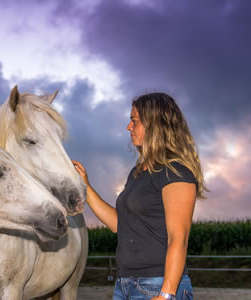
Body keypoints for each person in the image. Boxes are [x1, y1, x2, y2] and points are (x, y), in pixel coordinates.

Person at [72, 92, 206, 300]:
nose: (128, 127)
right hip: (125, 284)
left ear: (155, 125)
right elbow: (119, 224)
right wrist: (85, 186)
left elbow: (178, 238)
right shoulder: (137, 174)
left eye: (134, 121)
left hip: (158, 284)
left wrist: (167, 294)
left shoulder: (176, 173)